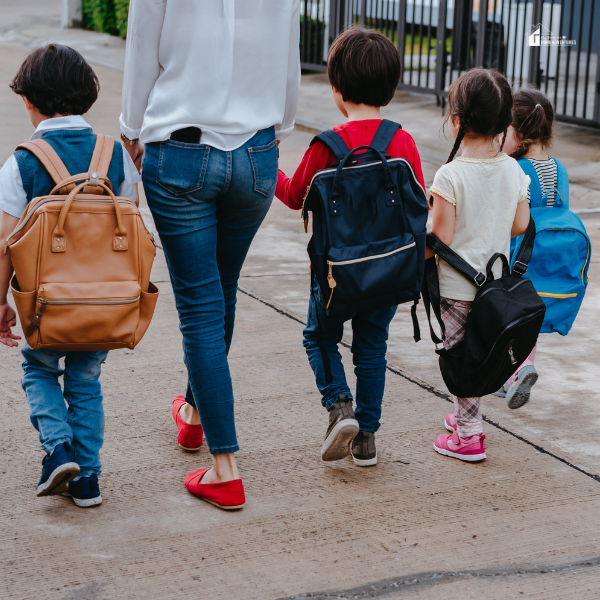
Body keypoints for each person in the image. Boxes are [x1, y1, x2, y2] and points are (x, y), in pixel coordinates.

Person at [120, 0, 301, 509]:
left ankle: (225, 467)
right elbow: (289, 66)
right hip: (257, 153)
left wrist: (132, 130)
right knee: (221, 291)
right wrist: (275, 133)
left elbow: (141, 54)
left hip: (180, 153)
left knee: (201, 308)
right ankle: (194, 417)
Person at [276, 27, 426, 467]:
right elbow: (418, 202)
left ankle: (339, 406)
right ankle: (367, 440)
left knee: (319, 336)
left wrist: (273, 172)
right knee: (372, 347)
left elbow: (295, 196)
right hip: (388, 272)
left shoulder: (327, 146)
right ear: (391, 87)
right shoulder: (402, 142)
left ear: (337, 90)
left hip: (333, 276)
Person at [0, 44, 141, 506]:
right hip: (103, 302)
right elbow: (132, 224)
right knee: (85, 380)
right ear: (88, 96)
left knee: (39, 371)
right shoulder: (114, 157)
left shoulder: (22, 162)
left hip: (46, 304)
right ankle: (88, 480)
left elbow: (4, 244)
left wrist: (1, 301)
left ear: (29, 101)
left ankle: (57, 448)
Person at [427, 68, 531, 462]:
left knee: (463, 357)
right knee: (480, 352)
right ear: (505, 124)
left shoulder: (450, 175)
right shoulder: (513, 169)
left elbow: (440, 237)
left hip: (457, 289)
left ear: (455, 120)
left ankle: (469, 435)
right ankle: (463, 414)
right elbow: (521, 224)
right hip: (497, 289)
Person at [495, 89, 559, 408]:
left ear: (517, 133)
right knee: (528, 321)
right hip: (548, 259)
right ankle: (522, 370)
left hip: (518, 258)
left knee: (508, 319)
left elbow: (509, 219)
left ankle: (518, 371)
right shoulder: (559, 169)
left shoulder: (518, 170)